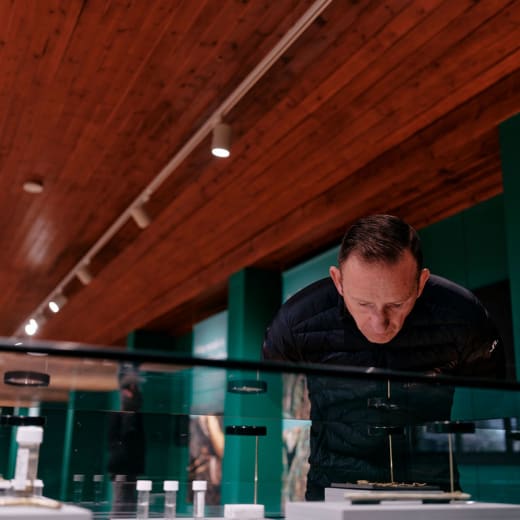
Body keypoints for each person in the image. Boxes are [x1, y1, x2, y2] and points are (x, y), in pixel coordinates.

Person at [262, 214, 506, 500]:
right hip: (334, 492)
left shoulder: (464, 316)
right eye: (364, 303)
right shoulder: (295, 322)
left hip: (432, 493)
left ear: (421, 282)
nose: (379, 323)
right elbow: (275, 395)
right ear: (337, 281)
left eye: (396, 303)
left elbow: (493, 393)